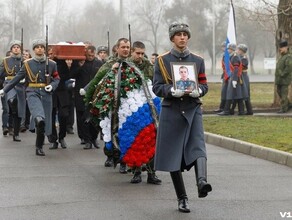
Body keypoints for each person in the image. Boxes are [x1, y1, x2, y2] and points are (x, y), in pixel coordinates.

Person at [152, 22, 212, 213]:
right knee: (173, 155)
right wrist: (172, 90)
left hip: (193, 108)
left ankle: (202, 182)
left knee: (198, 145)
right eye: (178, 34)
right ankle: (182, 198)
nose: (182, 37)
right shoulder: (162, 61)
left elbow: (204, 85)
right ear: (172, 38)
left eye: (185, 34)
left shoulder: (198, 60)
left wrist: (198, 92)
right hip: (172, 109)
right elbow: (157, 86)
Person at [0, 39, 60, 156]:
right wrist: (4, 89)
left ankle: (40, 143)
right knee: (39, 119)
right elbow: (16, 78)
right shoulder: (27, 63)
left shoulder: (52, 64)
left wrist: (52, 86)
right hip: (32, 92)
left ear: (44, 49)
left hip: (46, 94)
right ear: (34, 49)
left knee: (45, 121)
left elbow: (57, 78)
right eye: (37, 47)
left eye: (42, 47)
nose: (39, 49)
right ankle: (39, 147)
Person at [85, 38, 130, 173]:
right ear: (117, 48)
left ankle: (124, 160)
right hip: (110, 103)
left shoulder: (132, 64)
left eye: (128, 47)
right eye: (123, 47)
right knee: (110, 129)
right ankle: (110, 155)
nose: (126, 49)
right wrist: (88, 99)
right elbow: (97, 81)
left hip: (127, 104)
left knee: (125, 131)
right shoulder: (109, 64)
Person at [127, 41, 161, 184]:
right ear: (132, 52)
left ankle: (151, 173)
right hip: (131, 108)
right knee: (136, 141)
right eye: (137, 53)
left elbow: (156, 83)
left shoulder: (148, 66)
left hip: (148, 107)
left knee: (150, 140)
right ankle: (136, 172)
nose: (140, 56)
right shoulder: (126, 66)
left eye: (142, 53)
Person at [70, 45, 103, 149]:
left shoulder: (99, 63)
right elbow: (72, 75)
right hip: (81, 94)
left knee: (95, 117)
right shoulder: (79, 62)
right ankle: (86, 139)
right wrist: (80, 66)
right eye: (88, 55)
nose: (90, 57)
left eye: (92, 55)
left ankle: (94, 138)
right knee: (82, 118)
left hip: (95, 94)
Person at [0, 40, 26, 142]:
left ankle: (16, 133)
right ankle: (7, 126)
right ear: (11, 49)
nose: (16, 49)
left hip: (20, 86)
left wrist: (25, 79)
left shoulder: (25, 61)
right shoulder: (6, 61)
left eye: (18, 47)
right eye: (14, 47)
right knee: (11, 101)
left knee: (19, 111)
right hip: (9, 85)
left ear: (20, 49)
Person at [218, 43, 245, 116]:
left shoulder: (235, 57)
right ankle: (238, 111)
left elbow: (236, 69)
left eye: (229, 49)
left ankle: (227, 111)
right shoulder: (231, 56)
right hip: (231, 77)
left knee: (231, 94)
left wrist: (234, 79)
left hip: (234, 78)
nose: (228, 50)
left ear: (232, 49)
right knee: (235, 94)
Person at [275, 39, 292, 113]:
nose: (280, 49)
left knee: (283, 94)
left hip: (284, 79)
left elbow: (288, 68)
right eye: (280, 47)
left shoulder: (288, 56)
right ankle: (289, 104)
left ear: (286, 48)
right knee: (279, 92)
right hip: (279, 79)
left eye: (281, 47)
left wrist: (282, 74)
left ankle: (284, 109)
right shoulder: (282, 57)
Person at [237, 44, 253, 115]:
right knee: (240, 93)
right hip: (240, 76)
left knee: (245, 94)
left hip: (243, 76)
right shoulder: (239, 57)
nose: (237, 51)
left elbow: (241, 67)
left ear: (242, 51)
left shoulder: (244, 58)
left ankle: (248, 111)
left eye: (239, 49)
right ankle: (241, 110)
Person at [214, 41, 228, 113]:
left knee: (225, 93)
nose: (223, 48)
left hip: (228, 76)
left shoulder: (228, 55)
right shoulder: (224, 55)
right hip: (224, 75)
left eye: (224, 47)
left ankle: (224, 108)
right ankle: (221, 107)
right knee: (223, 93)